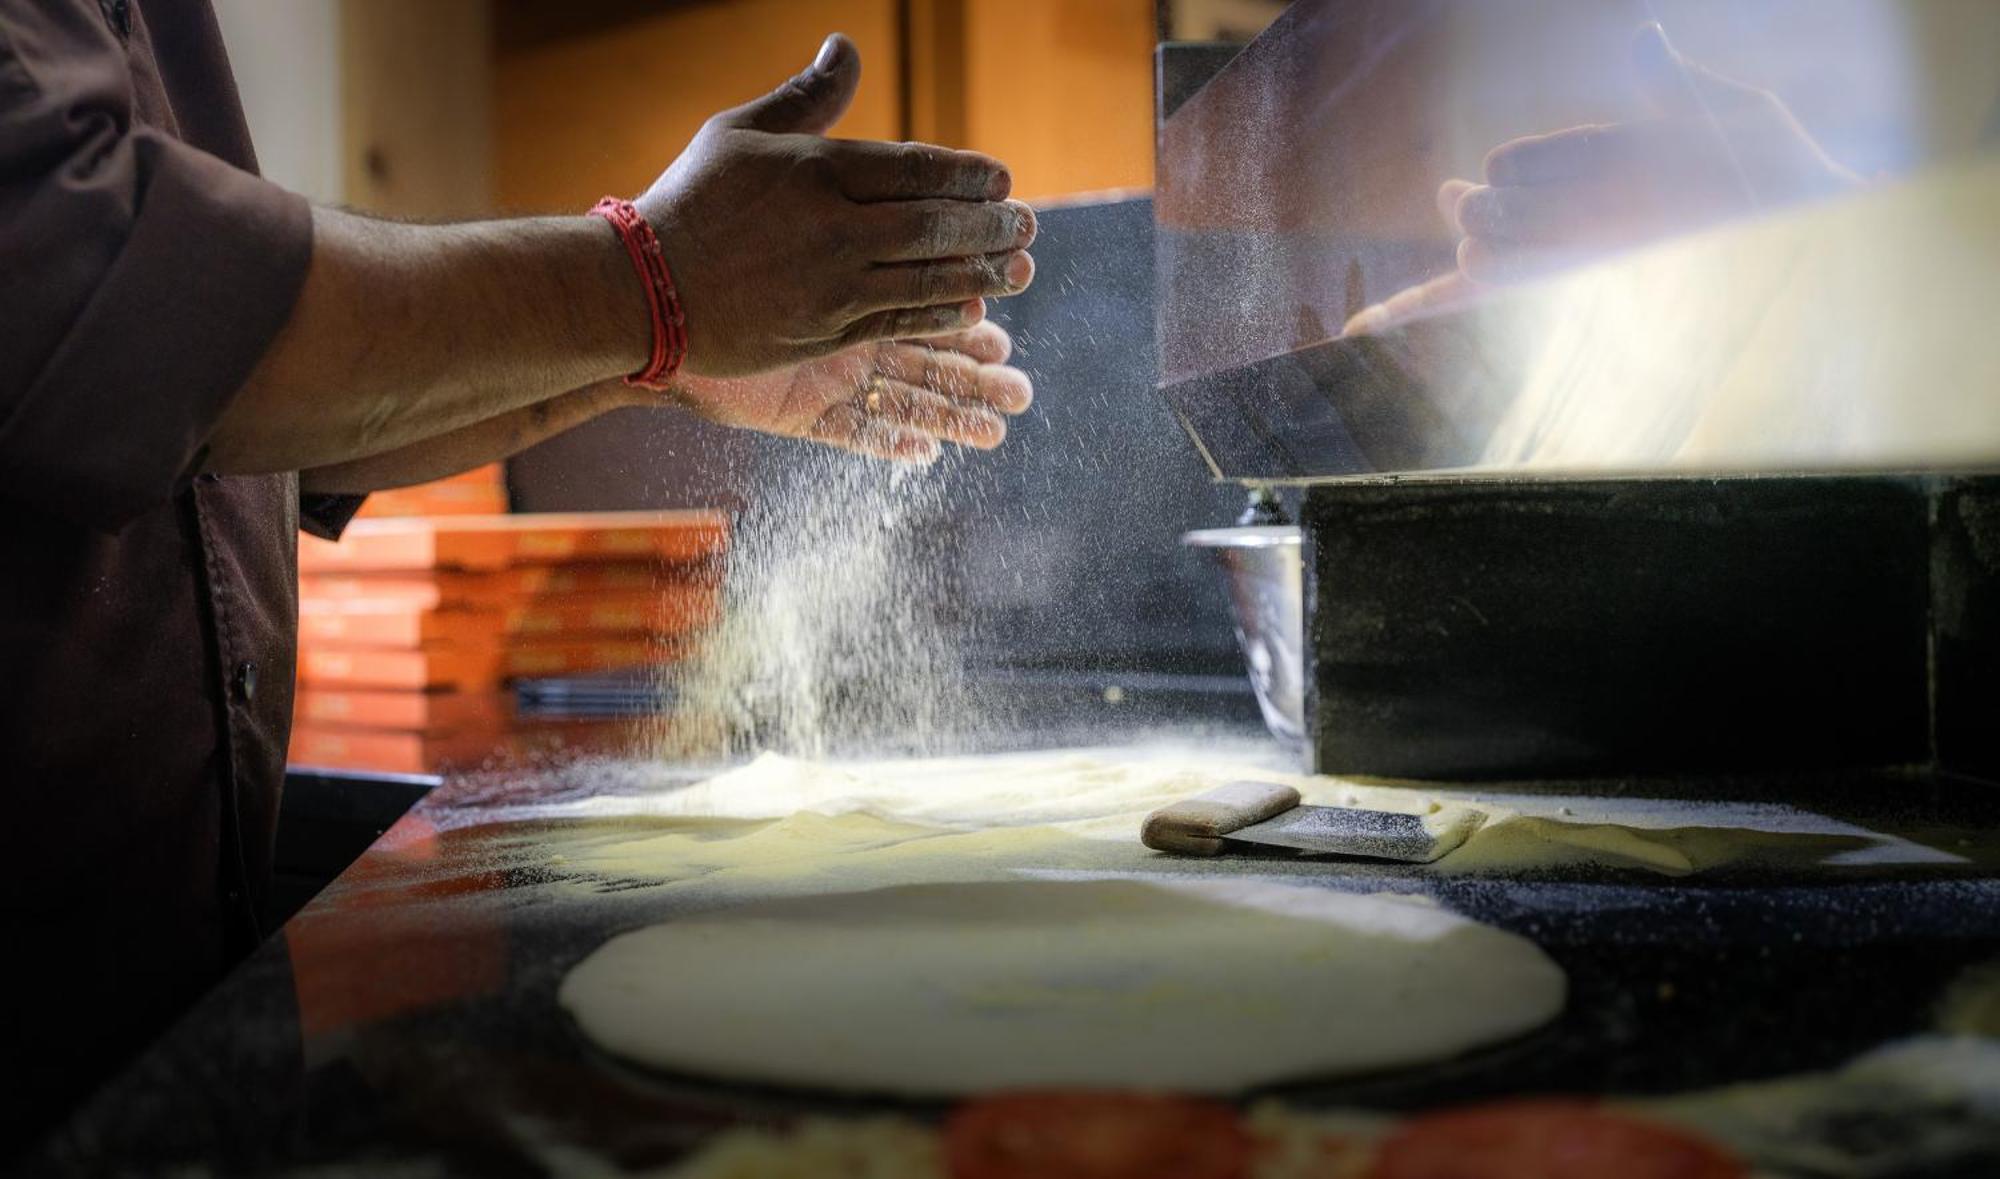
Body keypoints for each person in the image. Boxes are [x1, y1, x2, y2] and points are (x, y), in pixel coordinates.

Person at [0, 0, 1037, 1149]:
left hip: (146, 1010)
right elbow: (114, 307)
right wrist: (650, 282)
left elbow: (267, 414)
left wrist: (657, 349)